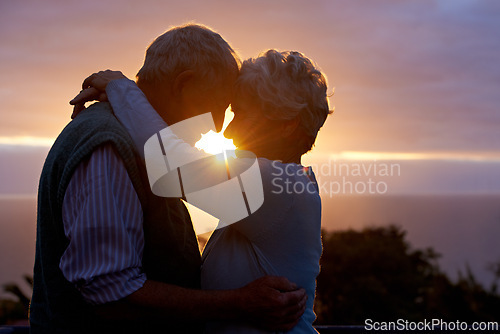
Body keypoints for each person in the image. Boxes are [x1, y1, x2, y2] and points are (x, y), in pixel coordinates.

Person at [30, 24, 306, 334]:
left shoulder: (138, 147)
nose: (218, 128)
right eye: (220, 107)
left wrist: (123, 89)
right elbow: (112, 293)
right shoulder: (109, 146)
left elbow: (179, 167)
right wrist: (238, 303)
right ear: (185, 85)